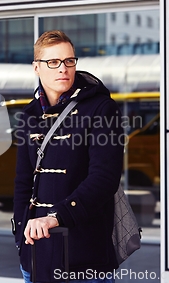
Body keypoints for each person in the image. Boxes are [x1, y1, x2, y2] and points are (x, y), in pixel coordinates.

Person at [13, 31, 124, 283]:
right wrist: (20, 235)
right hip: (34, 255)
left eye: (69, 61)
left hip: (84, 256)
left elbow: (105, 178)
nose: (63, 68)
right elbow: (22, 182)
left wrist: (56, 217)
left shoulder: (101, 108)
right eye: (53, 62)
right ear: (36, 67)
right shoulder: (29, 115)